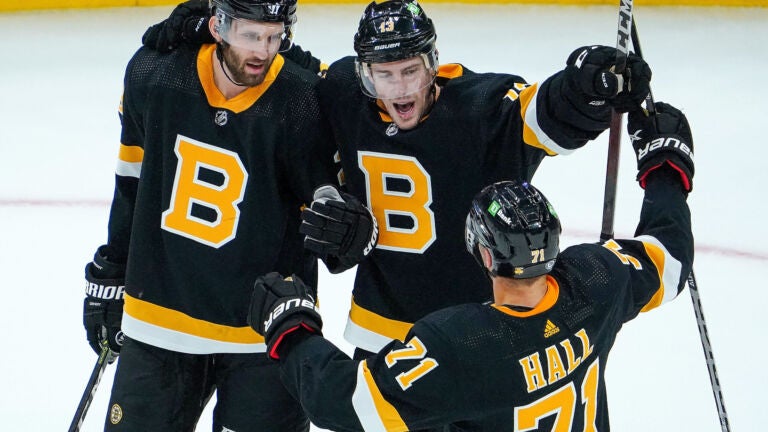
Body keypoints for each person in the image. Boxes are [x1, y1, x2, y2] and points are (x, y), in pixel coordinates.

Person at [144, 0, 652, 364]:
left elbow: (551, 111)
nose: (400, 87)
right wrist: (203, 24)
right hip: (380, 333)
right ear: (363, 73)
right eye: (384, 74)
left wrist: (589, 86)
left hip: (481, 332)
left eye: (411, 70)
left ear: (433, 63)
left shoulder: (483, 107)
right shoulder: (343, 92)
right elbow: (279, 64)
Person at [247, 100, 695, 431]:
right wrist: (665, 167)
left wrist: (292, 330)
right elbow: (669, 256)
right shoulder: (597, 280)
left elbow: (346, 403)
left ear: (484, 254)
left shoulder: (461, 341)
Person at [81, 0, 338, 430]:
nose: (263, 51)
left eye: (274, 37)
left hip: (264, 333)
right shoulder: (156, 74)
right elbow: (131, 182)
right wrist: (112, 269)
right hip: (160, 320)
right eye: (251, 36)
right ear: (217, 26)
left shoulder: (304, 99)